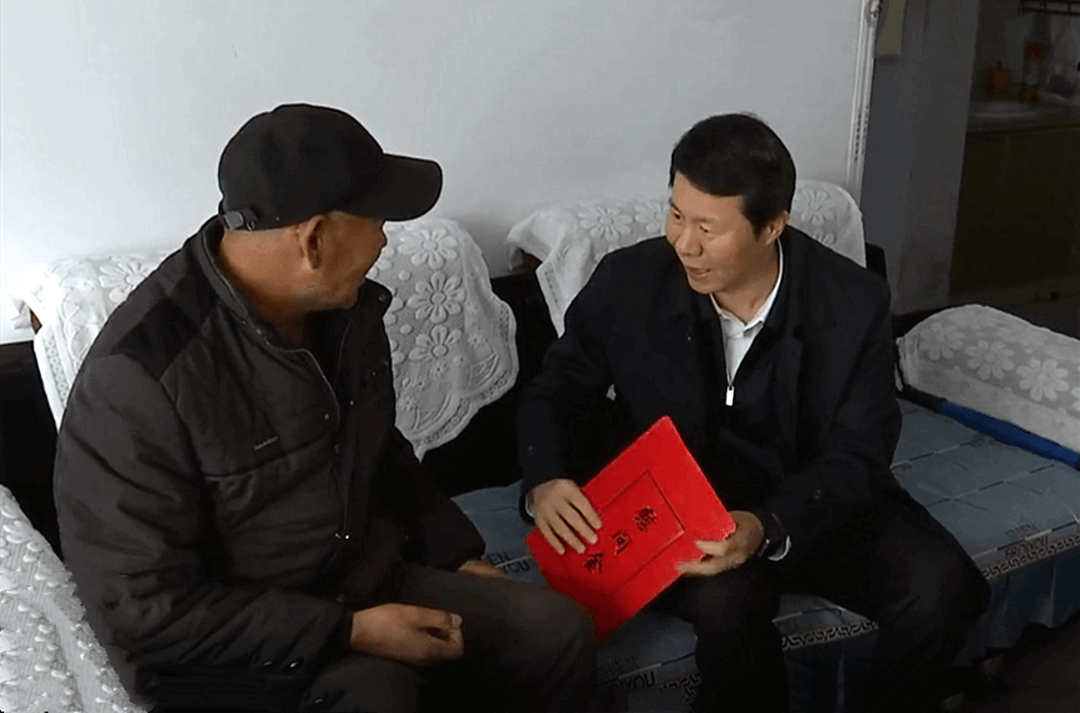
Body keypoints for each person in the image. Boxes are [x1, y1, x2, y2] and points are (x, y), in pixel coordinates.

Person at [53, 103, 597, 713]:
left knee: (554, 632)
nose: (384, 241)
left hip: (363, 580)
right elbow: (147, 613)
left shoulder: (343, 307)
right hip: (237, 651)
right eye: (378, 222)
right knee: (384, 699)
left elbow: (380, 449)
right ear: (313, 239)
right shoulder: (138, 380)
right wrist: (348, 631)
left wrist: (456, 555)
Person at [517, 113, 992, 713]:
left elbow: (861, 449)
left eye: (708, 228)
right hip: (684, 503)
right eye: (676, 215)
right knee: (728, 605)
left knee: (944, 588)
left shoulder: (851, 301)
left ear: (772, 226)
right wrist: (546, 478)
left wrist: (767, 526)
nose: (684, 244)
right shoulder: (630, 281)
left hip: (805, 495)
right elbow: (557, 390)